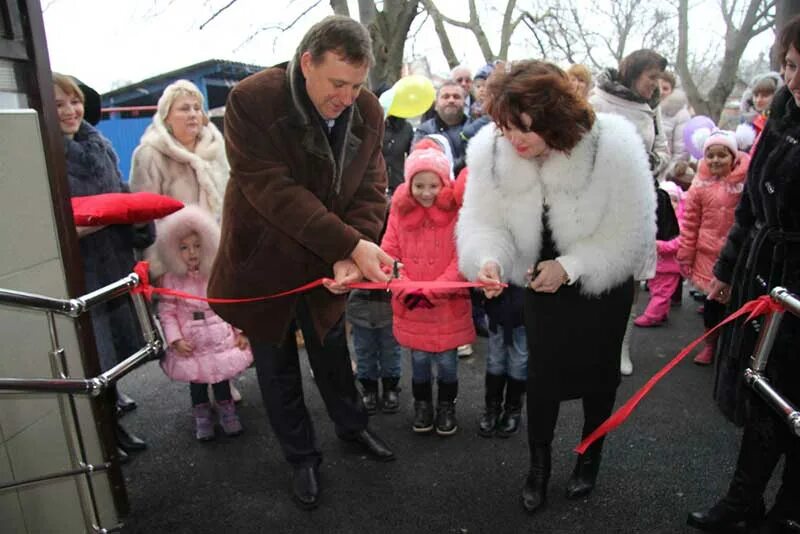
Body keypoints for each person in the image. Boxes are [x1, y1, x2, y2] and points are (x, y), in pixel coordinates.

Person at [207, 16, 396, 511]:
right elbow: (274, 192)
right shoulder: (251, 100)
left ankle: (352, 429)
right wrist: (351, 247)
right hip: (264, 260)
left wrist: (349, 251)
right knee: (276, 366)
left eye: (357, 85)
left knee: (333, 352)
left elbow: (372, 188)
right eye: (337, 83)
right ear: (306, 62)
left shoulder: (369, 111)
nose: (348, 98)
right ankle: (302, 458)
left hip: (328, 263)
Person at [457, 60, 655, 514]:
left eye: (525, 128)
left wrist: (571, 265)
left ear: (555, 116)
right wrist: (488, 259)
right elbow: (483, 222)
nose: (515, 139)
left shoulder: (613, 143)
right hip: (541, 290)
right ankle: (538, 468)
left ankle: (590, 456)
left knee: (600, 378)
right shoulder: (491, 148)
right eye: (506, 128)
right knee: (542, 378)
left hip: (601, 286)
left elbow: (633, 234)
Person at [687, 16, 800, 533]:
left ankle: (790, 507)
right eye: (791, 66)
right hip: (764, 275)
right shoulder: (779, 116)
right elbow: (751, 209)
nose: (795, 79)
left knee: (795, 397)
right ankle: (744, 499)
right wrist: (728, 270)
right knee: (761, 391)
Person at [54, 73, 155, 461]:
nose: (70, 110)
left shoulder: (99, 143)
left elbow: (120, 193)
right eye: (59, 103)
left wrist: (139, 223)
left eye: (74, 101)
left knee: (113, 355)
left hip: (113, 263)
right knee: (91, 354)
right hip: (81, 270)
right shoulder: (46, 154)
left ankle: (114, 421)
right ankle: (102, 435)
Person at [381, 147, 475, 436]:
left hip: (447, 305)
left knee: (447, 363)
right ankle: (422, 405)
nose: (426, 192)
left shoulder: (457, 212)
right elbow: (388, 254)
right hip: (412, 304)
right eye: (419, 185)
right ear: (408, 184)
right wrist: (404, 286)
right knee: (419, 361)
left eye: (433, 185)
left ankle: (446, 406)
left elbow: (463, 257)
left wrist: (434, 290)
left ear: (444, 183)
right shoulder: (398, 212)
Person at [590, 49, 670, 376]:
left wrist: (646, 162)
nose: (656, 85)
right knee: (599, 271)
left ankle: (621, 343)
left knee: (632, 275)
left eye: (659, 79)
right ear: (633, 72)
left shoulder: (652, 108)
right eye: (652, 77)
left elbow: (662, 150)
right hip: (602, 202)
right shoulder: (596, 102)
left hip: (639, 199)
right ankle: (592, 342)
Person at [155, 206, 253, 441]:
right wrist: (174, 339)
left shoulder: (216, 273)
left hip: (219, 335)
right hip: (192, 341)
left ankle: (227, 412)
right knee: (197, 383)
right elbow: (167, 312)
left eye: (198, 246)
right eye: (184, 247)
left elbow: (230, 302)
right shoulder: (171, 279)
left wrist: (241, 331)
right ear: (172, 250)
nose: (192, 253)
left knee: (221, 379)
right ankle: (202, 417)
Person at [129, 79, 229, 277]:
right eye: (184, 109)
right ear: (166, 117)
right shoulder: (149, 155)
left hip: (220, 260)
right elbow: (143, 219)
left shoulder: (217, 149)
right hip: (173, 267)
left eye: (197, 108)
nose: (192, 114)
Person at [677, 128, 750, 365]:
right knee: (711, 306)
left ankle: (732, 349)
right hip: (708, 257)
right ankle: (710, 344)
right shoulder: (700, 186)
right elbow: (690, 223)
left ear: (734, 157)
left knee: (736, 305)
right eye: (711, 155)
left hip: (736, 257)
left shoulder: (743, 186)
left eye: (722, 155)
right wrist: (686, 254)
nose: (716, 160)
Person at [477, 284, 528, 438]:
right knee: (495, 361)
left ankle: (513, 410)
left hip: (524, 316)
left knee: (519, 363)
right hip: (497, 311)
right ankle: (492, 408)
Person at [634, 181, 684, 327]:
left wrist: (661, 245)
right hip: (658, 264)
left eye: (676, 200)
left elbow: (680, 241)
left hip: (669, 266)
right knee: (658, 291)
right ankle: (661, 313)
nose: (673, 203)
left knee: (661, 293)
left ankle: (652, 316)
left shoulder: (681, 220)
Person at [413, 80, 470, 175]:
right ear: (436, 105)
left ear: (464, 103)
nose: (451, 100)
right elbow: (418, 164)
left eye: (456, 97)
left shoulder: (475, 129)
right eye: (446, 97)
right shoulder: (425, 131)